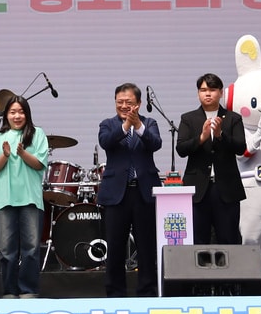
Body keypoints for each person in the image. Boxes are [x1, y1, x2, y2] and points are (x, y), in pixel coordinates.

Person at [96, 83, 162, 297]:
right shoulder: (107, 124)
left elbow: (155, 144)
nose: (124, 106)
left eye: (129, 102)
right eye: (120, 102)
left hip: (144, 193)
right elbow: (106, 142)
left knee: (146, 246)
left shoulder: (150, 123)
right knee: (115, 247)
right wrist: (125, 126)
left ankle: (147, 292)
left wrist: (138, 127)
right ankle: (115, 294)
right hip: (117, 194)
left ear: (139, 104)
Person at [0, 94, 49, 298]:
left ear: (27, 114)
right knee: (6, 249)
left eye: (21, 112)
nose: (17, 116)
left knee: (31, 248)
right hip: (5, 199)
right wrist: (4, 155)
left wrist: (22, 153)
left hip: (30, 197)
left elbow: (39, 164)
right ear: (6, 115)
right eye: (13, 112)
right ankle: (9, 291)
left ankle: (28, 289)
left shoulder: (37, 134)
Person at [174, 73, 246, 245]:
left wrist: (221, 135)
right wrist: (201, 138)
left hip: (226, 188)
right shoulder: (188, 118)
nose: (207, 94)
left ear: (221, 93)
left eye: (212, 90)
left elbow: (241, 148)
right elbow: (181, 149)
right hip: (198, 189)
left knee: (228, 239)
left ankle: (230, 273)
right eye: (203, 90)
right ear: (198, 93)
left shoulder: (233, 118)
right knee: (198, 240)